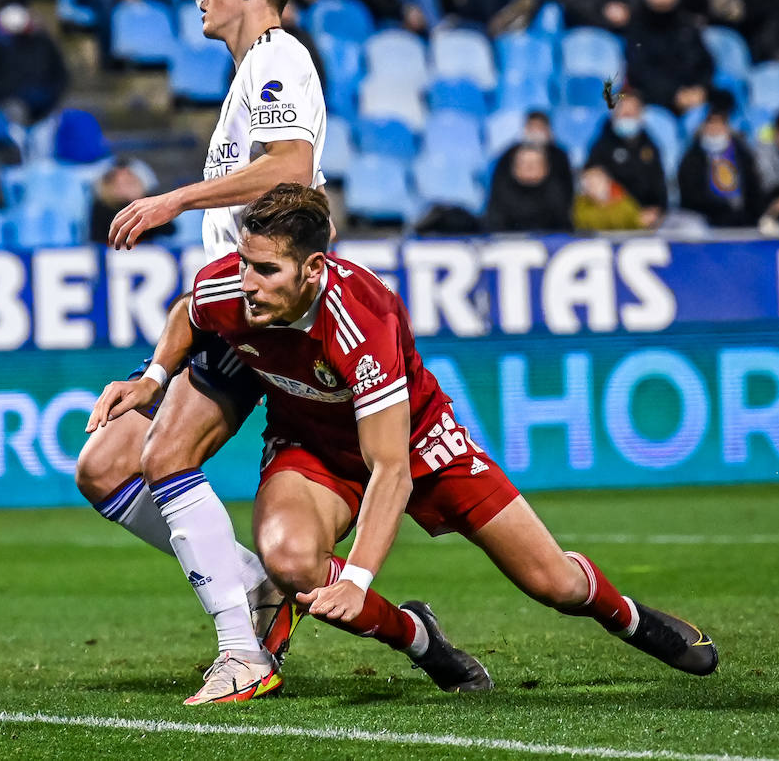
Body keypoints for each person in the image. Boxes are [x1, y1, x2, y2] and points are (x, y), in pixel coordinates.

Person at [88, 184, 719, 694]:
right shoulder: (235, 285)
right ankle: (418, 638)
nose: (247, 282)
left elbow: (390, 470)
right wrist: (152, 378)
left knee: (555, 585)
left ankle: (633, 622)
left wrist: (358, 578)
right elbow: (189, 310)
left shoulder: (365, 321)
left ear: (313, 269)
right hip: (310, 446)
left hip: (420, 447)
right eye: (245, 263)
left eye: (265, 270)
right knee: (288, 560)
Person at [74, 0, 326, 706]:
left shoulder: (278, 60)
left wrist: (173, 199)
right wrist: (154, 372)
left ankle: (241, 649)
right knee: (105, 465)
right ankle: (251, 590)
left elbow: (292, 169)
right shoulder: (248, 74)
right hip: (223, 304)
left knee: (164, 455)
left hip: (261, 307)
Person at [0, 0, 70, 124]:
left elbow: (60, 75)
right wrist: (15, 94)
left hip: (42, 104)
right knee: (14, 112)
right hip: (3, 105)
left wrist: (47, 97)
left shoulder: (41, 40)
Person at [625, 0, 712, 113]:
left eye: (667, 4)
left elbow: (706, 62)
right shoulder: (638, 30)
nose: (663, 9)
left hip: (694, 95)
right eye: (659, 5)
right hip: (656, 99)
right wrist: (674, 94)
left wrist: (700, 88)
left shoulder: (687, 27)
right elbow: (639, 71)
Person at [584, 90, 668, 226]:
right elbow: (594, 184)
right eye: (624, 112)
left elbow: (659, 185)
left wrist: (657, 210)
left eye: (632, 113)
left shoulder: (651, 146)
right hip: (612, 215)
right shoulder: (601, 147)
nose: (627, 116)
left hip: (647, 216)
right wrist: (630, 214)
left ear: (640, 115)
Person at [677, 102, 767, 227]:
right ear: (703, 127)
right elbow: (690, 195)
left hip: (742, 218)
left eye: (719, 123)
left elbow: (754, 188)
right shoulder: (692, 157)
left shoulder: (743, 154)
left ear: (727, 126)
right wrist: (720, 207)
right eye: (711, 123)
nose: (715, 128)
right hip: (706, 218)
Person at [485, 140, 574, 232]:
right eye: (523, 163)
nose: (529, 167)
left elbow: (564, 231)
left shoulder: (558, 195)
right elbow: (494, 229)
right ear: (513, 167)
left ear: (546, 168)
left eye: (535, 163)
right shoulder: (501, 194)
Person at [89, 157, 173, 243]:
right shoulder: (101, 207)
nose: (123, 188)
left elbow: (169, 231)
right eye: (117, 183)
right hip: (116, 252)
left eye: (129, 182)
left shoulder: (151, 202)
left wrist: (137, 201)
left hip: (150, 252)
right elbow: (98, 238)